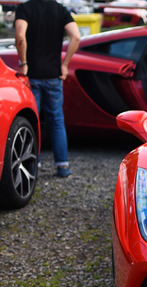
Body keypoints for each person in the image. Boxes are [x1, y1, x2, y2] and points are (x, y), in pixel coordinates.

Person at [15, 0, 81, 178]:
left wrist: (23, 64)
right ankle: (62, 166)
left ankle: (32, 165)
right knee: (57, 121)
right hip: (53, 75)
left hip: (32, 76)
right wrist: (65, 64)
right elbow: (76, 37)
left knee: (30, 121)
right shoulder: (60, 10)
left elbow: (20, 36)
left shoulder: (25, 9)